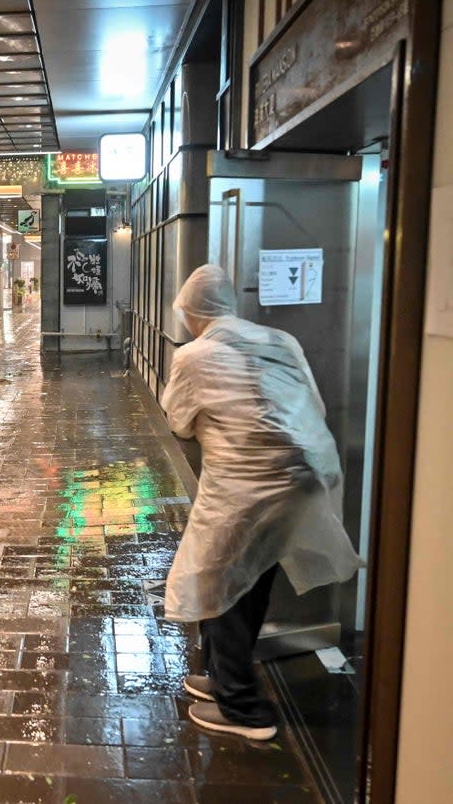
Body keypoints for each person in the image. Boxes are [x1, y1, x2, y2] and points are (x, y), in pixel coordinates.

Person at [160, 264, 362, 741]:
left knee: (219, 580)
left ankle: (244, 711)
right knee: (249, 577)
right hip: (306, 476)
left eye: (185, 312)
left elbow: (177, 420)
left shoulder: (195, 356)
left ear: (192, 312)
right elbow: (315, 404)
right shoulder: (280, 341)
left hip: (248, 486)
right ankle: (223, 678)